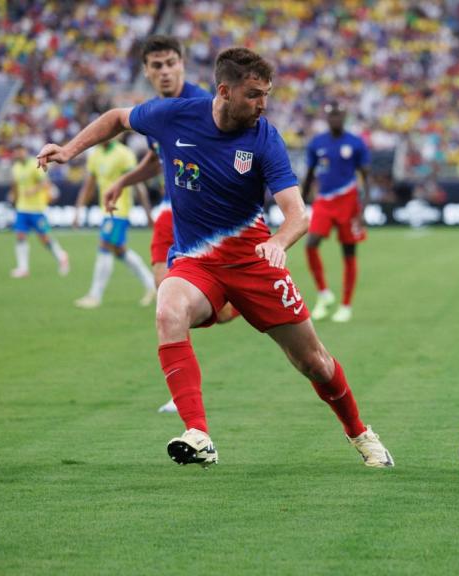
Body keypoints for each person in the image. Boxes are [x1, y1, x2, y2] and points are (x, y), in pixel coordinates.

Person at [37, 47, 394, 469]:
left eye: (267, 94)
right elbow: (117, 117)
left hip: (254, 263)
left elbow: (298, 214)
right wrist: (70, 150)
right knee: (168, 309)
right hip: (196, 262)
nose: (263, 104)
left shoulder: (265, 138)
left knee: (312, 362)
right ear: (224, 91)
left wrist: (278, 242)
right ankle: (198, 433)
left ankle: (359, 432)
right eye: (254, 94)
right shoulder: (175, 116)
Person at [101, 35, 235, 413]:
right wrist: (123, 181)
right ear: (146, 71)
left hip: (202, 218)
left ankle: (239, 296)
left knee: (221, 315)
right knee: (168, 300)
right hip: (168, 213)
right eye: (156, 66)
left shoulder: (201, 105)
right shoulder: (153, 111)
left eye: (170, 63)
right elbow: (157, 158)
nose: (164, 71)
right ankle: (183, 394)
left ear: (182, 65)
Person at [302, 101, 371, 323]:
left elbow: (366, 178)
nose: (335, 119)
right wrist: (301, 203)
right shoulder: (317, 143)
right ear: (326, 118)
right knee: (311, 244)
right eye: (332, 115)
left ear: (345, 117)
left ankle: (346, 305)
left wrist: (363, 209)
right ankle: (324, 293)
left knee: (348, 252)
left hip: (348, 201)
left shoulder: (355, 143)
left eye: (339, 115)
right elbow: (310, 174)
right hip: (324, 200)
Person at [72, 136, 156, 308]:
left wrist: (147, 213)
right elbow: (89, 185)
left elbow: (138, 184)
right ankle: (152, 285)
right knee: (119, 251)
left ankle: (95, 296)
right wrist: (78, 209)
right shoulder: (95, 155)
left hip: (120, 210)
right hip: (106, 210)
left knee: (104, 246)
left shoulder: (124, 154)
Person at [8, 145, 70, 278]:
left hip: (37, 209)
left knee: (45, 238)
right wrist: (14, 197)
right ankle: (23, 268)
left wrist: (33, 190)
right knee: (20, 236)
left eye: (20, 151)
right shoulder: (15, 168)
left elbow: (45, 183)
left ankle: (62, 256)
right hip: (22, 208)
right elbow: (15, 185)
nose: (19, 154)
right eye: (16, 152)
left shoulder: (33, 165)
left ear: (25, 151)